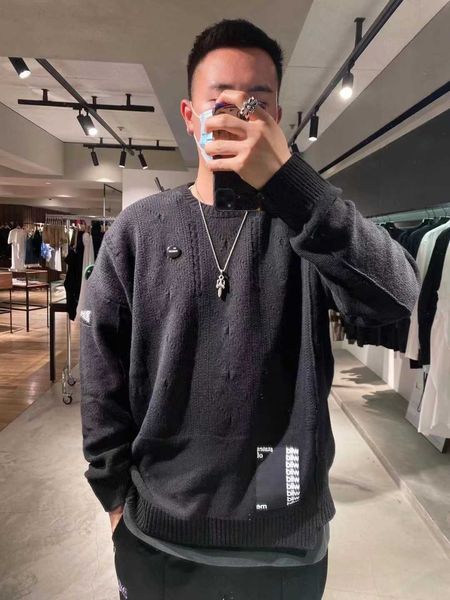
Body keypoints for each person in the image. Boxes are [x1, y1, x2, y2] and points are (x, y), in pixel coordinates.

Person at [80, 19, 420, 600]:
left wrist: (292, 184)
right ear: (190, 116)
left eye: (256, 103)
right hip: (159, 539)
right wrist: (115, 501)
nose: (238, 116)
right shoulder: (139, 230)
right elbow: (101, 374)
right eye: (221, 101)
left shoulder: (308, 227)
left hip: (284, 541)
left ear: (277, 120)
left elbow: (397, 298)